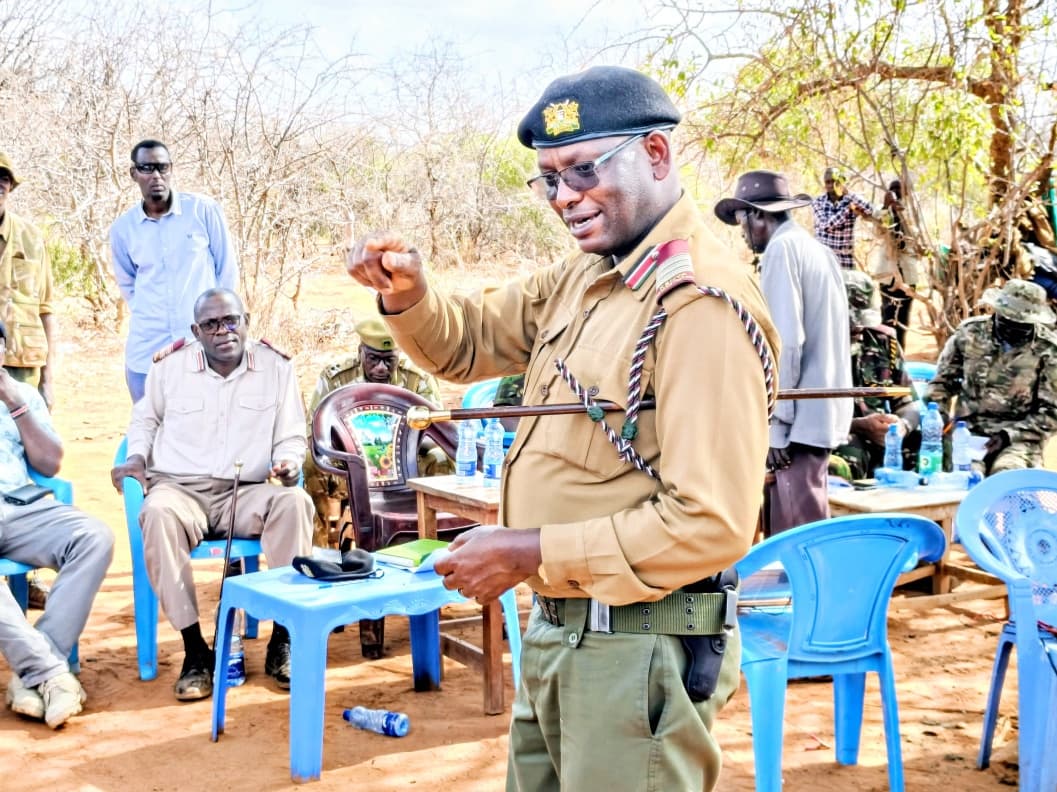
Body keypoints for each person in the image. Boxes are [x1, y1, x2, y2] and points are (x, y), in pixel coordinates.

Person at [348, 66, 779, 791]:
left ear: (655, 154)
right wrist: (412, 297)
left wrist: (529, 548)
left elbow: (711, 523)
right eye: (547, 179)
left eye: (582, 170)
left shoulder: (697, 301)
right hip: (562, 635)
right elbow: (470, 341)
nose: (564, 198)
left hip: (636, 652)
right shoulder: (590, 272)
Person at [109, 288, 313, 701]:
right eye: (211, 324)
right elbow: (144, 421)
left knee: (295, 503)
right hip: (182, 489)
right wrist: (135, 459)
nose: (223, 331)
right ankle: (195, 650)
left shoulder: (277, 368)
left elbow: (292, 435)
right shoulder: (170, 368)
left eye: (231, 320)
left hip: (248, 491)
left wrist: (289, 463)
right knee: (157, 513)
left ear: (246, 321)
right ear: (196, 331)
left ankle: (282, 639)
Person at [715, 169, 852, 536]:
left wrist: (776, 427)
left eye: (743, 220)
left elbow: (785, 343)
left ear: (759, 215)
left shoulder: (782, 250)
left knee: (796, 540)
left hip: (798, 424)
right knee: (798, 524)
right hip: (821, 411)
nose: (743, 233)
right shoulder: (816, 249)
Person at [0, 320, 114, 728]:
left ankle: (33, 672)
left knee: (94, 537)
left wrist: (15, 403)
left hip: (21, 507)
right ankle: (50, 674)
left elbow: (50, 463)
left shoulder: (23, 394)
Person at [303, 317, 451, 545]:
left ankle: (430, 539)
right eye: (373, 359)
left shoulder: (417, 380)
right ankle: (321, 548)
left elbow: (437, 431)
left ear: (399, 356)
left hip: (405, 463)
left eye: (389, 360)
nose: (381, 367)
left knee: (443, 459)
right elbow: (315, 430)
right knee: (311, 462)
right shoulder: (335, 378)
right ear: (360, 351)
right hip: (351, 464)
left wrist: (396, 448)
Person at [110, 140, 238, 403]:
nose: (156, 176)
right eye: (147, 168)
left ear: (171, 169)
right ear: (133, 174)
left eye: (162, 167)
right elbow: (128, 283)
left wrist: (221, 327)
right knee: (151, 428)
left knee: (209, 424)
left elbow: (226, 272)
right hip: (148, 345)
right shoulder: (124, 228)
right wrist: (150, 310)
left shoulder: (203, 211)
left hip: (200, 342)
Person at [927, 278, 1057, 475]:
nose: (1012, 327)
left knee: (1006, 476)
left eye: (1021, 324)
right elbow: (941, 385)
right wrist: (940, 421)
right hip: (968, 432)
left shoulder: (1048, 350)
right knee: (967, 477)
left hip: (1019, 438)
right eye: (1006, 320)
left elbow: (1052, 413)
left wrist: (1008, 436)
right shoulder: (969, 334)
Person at [830, 270, 920, 481]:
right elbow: (808, 419)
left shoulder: (883, 341)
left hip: (884, 436)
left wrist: (902, 427)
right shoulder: (813, 348)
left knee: (926, 444)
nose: (858, 328)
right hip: (841, 435)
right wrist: (859, 425)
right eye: (851, 323)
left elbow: (908, 403)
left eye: (863, 321)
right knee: (851, 452)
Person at [0, 152, 56, 410]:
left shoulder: (31, 237)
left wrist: (48, 380)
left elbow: (46, 309)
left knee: (26, 441)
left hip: (22, 365)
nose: (0, 184)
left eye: (4, 178)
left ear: (11, 186)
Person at [871, 178, 925, 347]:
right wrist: (887, 209)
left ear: (906, 192)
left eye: (898, 189)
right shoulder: (881, 212)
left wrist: (901, 214)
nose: (895, 192)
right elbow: (879, 232)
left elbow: (916, 237)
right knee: (887, 317)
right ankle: (886, 358)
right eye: (892, 189)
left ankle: (900, 358)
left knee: (903, 320)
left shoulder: (911, 213)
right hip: (888, 274)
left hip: (908, 275)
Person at [810, 166, 876, 269]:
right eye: (828, 182)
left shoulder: (850, 199)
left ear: (840, 181)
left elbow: (870, 209)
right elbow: (826, 225)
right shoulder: (818, 202)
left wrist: (849, 194)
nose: (831, 185)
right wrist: (848, 210)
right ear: (825, 184)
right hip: (822, 258)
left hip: (845, 259)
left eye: (834, 181)